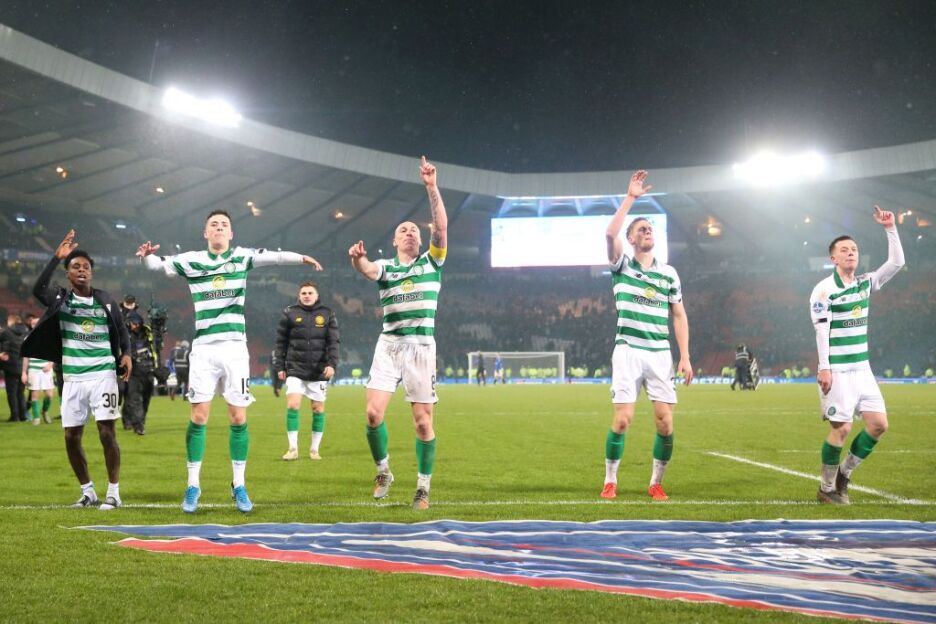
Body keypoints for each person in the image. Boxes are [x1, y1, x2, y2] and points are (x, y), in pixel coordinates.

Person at [137, 209, 322, 513]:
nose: (219, 228)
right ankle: (193, 485)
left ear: (231, 233)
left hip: (235, 349)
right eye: (214, 224)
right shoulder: (192, 260)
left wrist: (301, 258)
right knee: (199, 417)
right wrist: (146, 257)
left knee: (238, 417)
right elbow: (158, 265)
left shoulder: (241, 257)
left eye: (224, 224)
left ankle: (239, 485)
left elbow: (274, 258)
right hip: (204, 350)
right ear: (206, 233)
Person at [348, 155, 447, 510]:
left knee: (422, 423)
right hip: (389, 346)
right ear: (394, 241)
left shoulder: (432, 262)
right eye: (404, 230)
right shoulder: (387, 267)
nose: (410, 233)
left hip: (420, 348)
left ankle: (423, 487)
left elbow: (440, 228)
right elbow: (366, 269)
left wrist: (431, 187)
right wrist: (356, 258)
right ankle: (383, 471)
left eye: (414, 231)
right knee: (373, 414)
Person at [600, 170, 693, 501]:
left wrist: (685, 356)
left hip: (659, 353)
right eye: (641, 229)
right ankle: (610, 480)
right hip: (628, 350)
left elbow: (679, 315)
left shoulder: (669, 274)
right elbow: (609, 232)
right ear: (631, 239)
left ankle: (656, 482)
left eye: (650, 228)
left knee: (665, 423)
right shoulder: (622, 266)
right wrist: (630, 198)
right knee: (623, 420)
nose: (647, 231)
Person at [21, 230, 131, 509]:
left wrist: (127, 354)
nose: (82, 270)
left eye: (86, 267)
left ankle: (114, 492)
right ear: (68, 274)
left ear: (91, 273)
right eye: (75, 266)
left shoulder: (106, 300)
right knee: (71, 436)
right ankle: (88, 492)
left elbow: (120, 329)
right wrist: (55, 258)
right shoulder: (60, 299)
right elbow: (37, 289)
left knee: (107, 432)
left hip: (103, 374)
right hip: (72, 377)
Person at [809, 205, 904, 505]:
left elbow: (897, 263)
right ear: (833, 258)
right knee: (842, 429)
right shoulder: (824, 291)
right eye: (844, 250)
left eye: (854, 250)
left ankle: (844, 474)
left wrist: (890, 228)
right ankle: (826, 489)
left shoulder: (865, 283)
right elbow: (821, 330)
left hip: (863, 370)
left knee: (879, 425)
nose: (851, 253)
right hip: (837, 370)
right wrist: (825, 368)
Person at [273, 281, 339, 461]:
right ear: (299, 295)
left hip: (319, 370)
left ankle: (314, 449)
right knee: (293, 404)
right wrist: (280, 366)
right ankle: (292, 448)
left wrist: (332, 364)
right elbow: (281, 342)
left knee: (318, 409)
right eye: (304, 293)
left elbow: (333, 342)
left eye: (310, 293)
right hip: (295, 369)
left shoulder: (327, 313)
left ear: (317, 296)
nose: (307, 296)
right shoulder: (289, 313)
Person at [123, 312, 157, 435]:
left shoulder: (148, 333)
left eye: (135, 323)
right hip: (133, 371)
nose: (133, 326)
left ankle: (140, 422)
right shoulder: (125, 334)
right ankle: (137, 425)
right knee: (134, 398)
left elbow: (155, 349)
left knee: (146, 400)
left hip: (148, 370)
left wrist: (157, 367)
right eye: (131, 323)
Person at [21, 315, 56, 425]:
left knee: (49, 395)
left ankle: (44, 411)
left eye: (37, 322)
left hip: (46, 370)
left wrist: (50, 364)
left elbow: (54, 353)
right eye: (33, 323)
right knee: (35, 394)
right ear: (31, 326)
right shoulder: (28, 338)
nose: (35, 325)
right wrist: (24, 372)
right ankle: (36, 418)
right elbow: (26, 358)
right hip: (33, 370)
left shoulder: (48, 337)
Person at [0, 313, 29, 422]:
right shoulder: (25, 331)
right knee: (20, 392)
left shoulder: (6, 332)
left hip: (10, 366)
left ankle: (15, 416)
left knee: (12, 393)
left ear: (10, 321)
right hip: (23, 367)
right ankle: (23, 416)